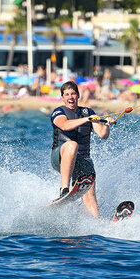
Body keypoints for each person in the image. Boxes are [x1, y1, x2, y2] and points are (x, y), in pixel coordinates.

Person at [50, 81, 115, 218]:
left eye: (73, 93)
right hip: (60, 158)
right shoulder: (58, 112)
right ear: (62, 98)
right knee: (72, 145)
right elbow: (65, 125)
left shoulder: (88, 112)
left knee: (89, 192)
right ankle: (64, 189)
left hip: (82, 160)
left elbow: (103, 135)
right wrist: (87, 120)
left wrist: (107, 125)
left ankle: (97, 224)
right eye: (67, 94)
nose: (70, 97)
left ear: (78, 95)